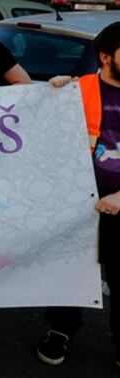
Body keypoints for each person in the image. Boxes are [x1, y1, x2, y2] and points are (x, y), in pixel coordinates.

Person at [38, 22, 120, 367]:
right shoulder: (77, 90)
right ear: (104, 57)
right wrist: (46, 95)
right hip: (76, 201)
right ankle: (62, 329)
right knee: (68, 268)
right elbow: (38, 135)